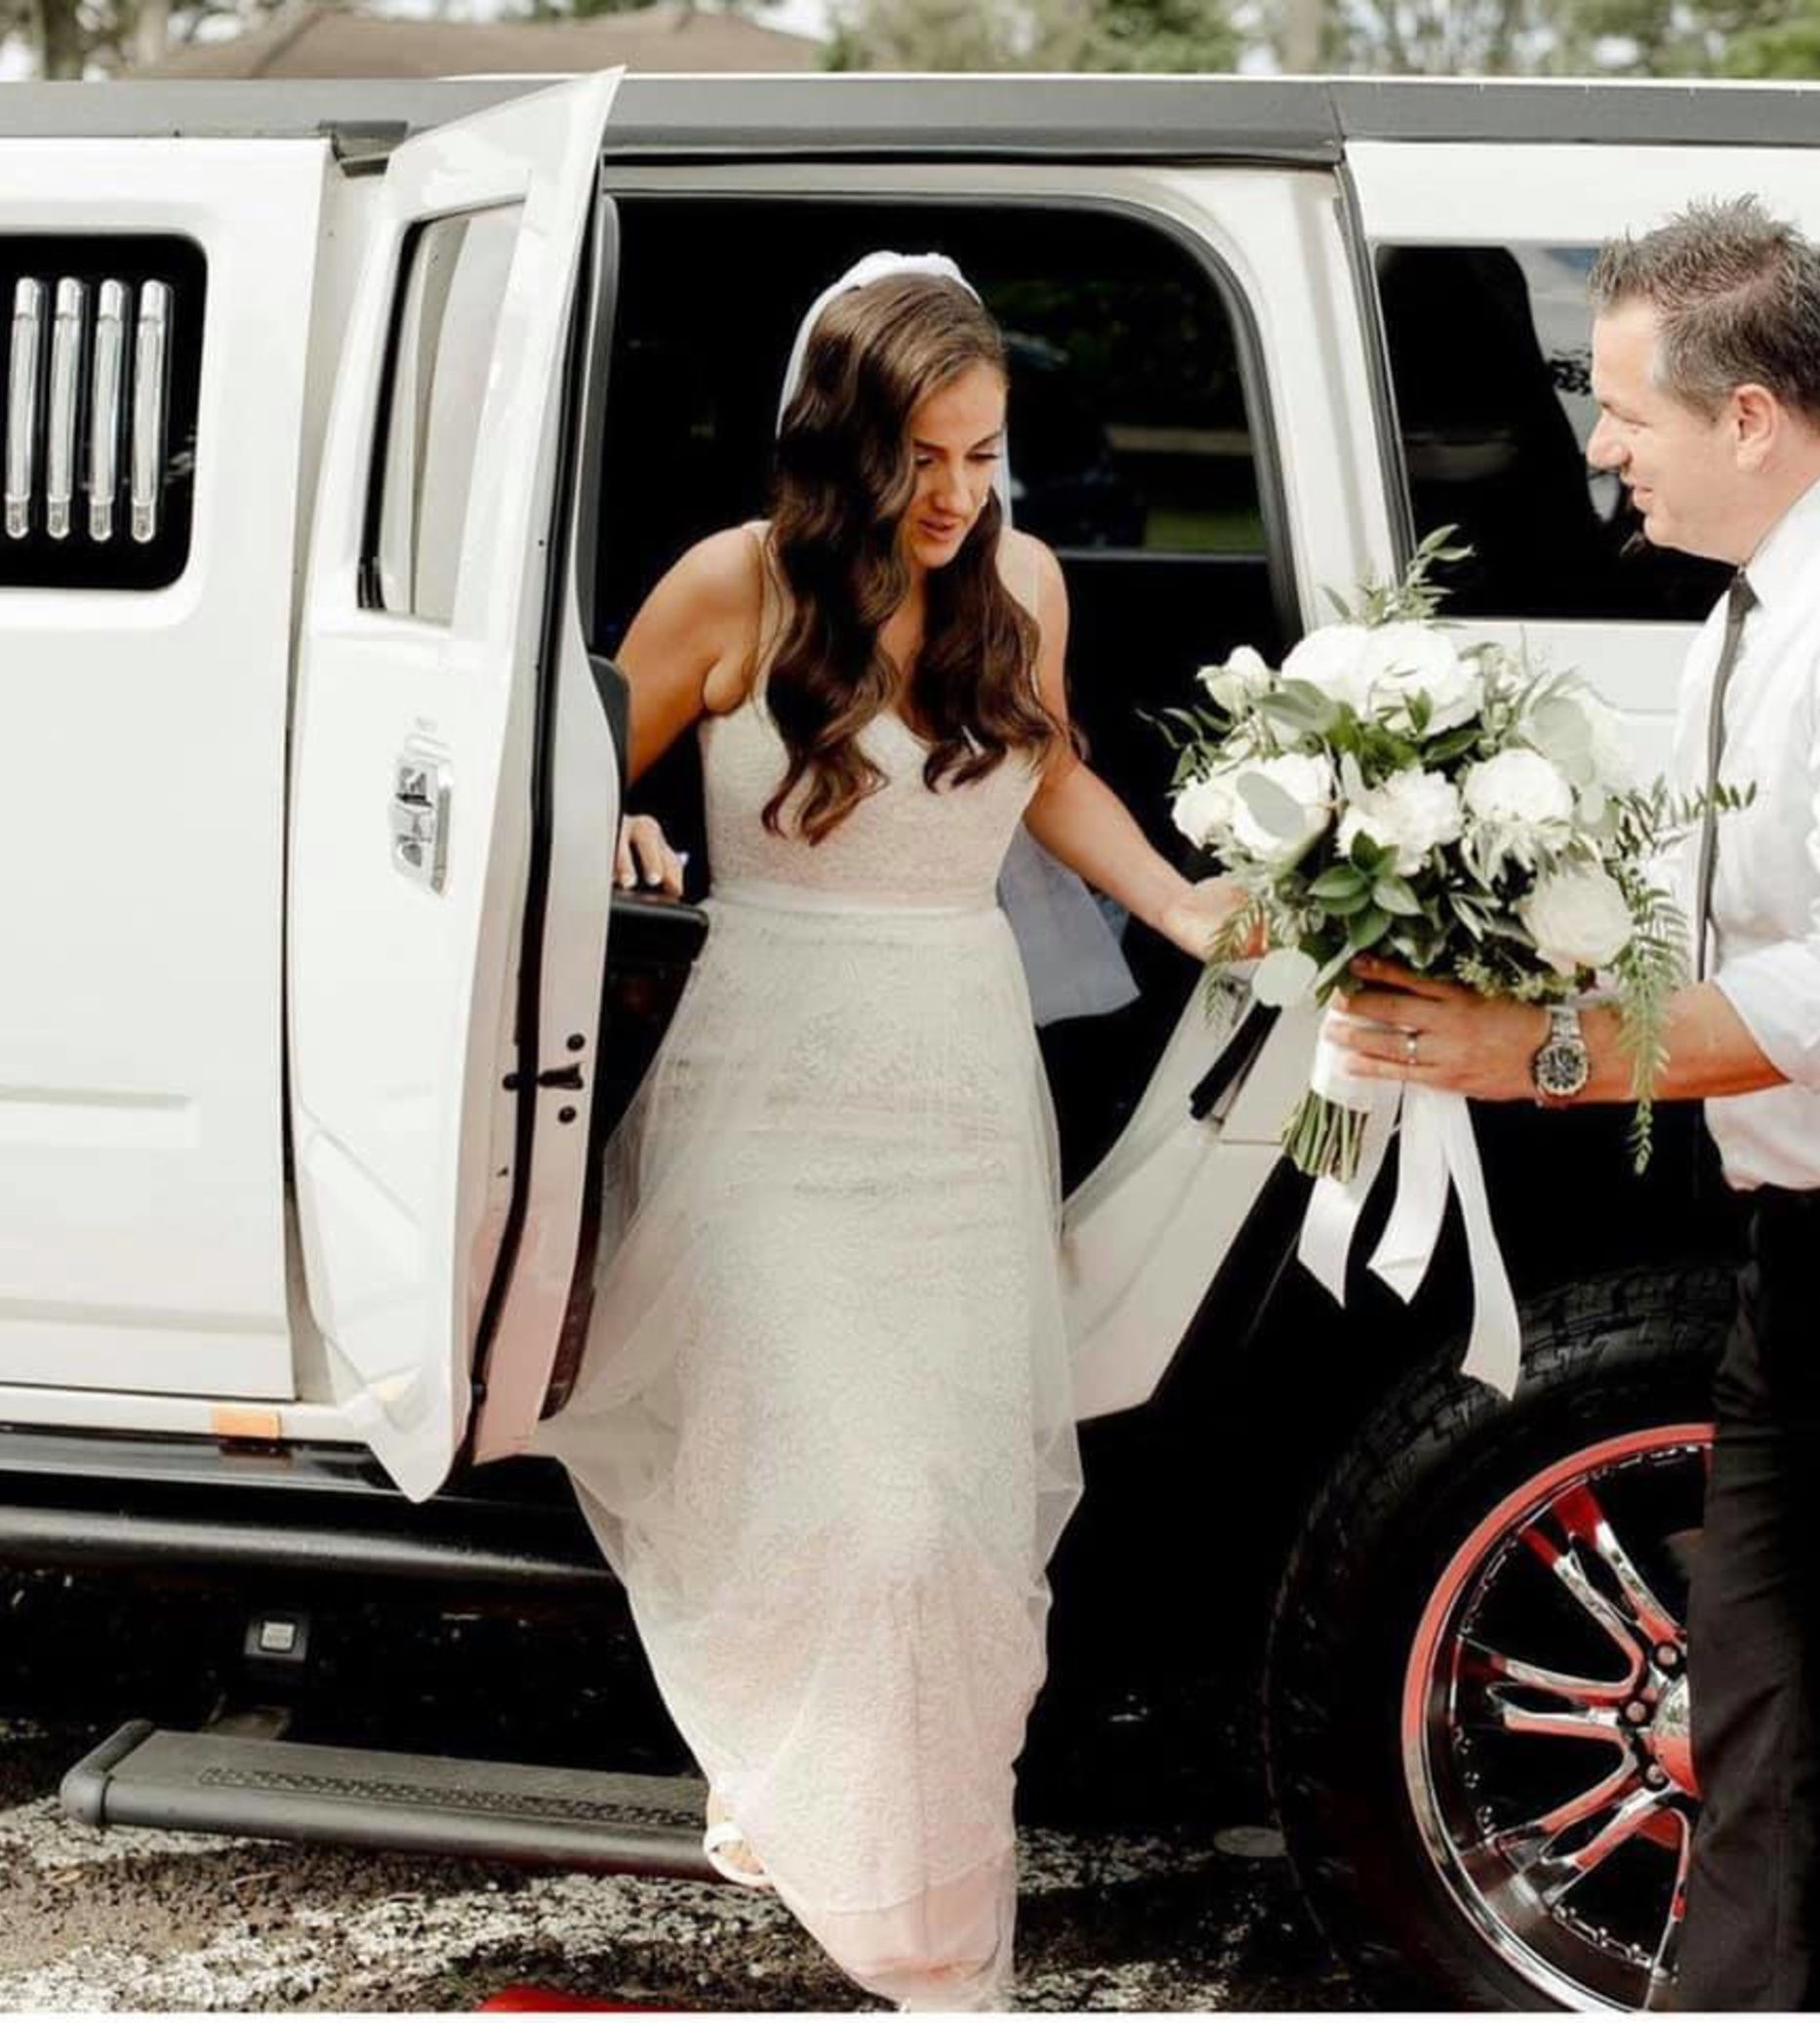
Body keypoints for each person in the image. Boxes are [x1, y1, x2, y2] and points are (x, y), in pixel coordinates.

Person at [529, 257, 1247, 2010]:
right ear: (845, 443)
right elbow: (561, 766)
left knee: (949, 1532)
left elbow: (1050, 771)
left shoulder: (1025, 585)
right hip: (766, 1097)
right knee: (849, 1500)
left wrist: (1190, 909)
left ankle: (941, 1947)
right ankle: (825, 1818)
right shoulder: (734, 585)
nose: (957, 497)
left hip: (953, 1089)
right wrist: (615, 829)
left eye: (986, 456)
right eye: (924, 459)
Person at [1325, 195, 1820, 2009]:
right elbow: (1703, 909)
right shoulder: (1763, 601)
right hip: (1808, 1284)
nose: (1595, 446)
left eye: (1623, 411)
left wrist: (1545, 1057)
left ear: (1750, 416)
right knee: (1763, 1765)